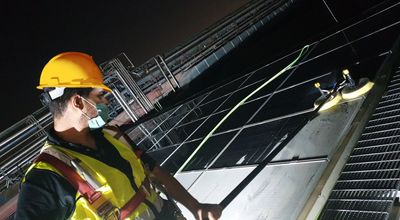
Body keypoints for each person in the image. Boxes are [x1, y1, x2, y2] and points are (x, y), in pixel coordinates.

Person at [15, 52, 223, 220]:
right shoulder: (46, 177)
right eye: (99, 96)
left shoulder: (112, 134)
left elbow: (154, 171)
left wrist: (195, 206)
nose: (106, 103)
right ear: (78, 102)